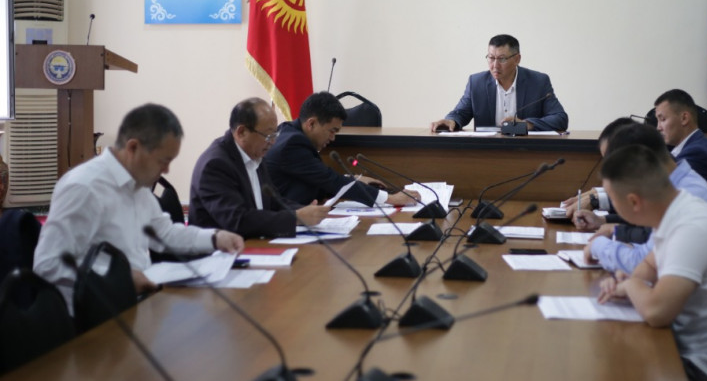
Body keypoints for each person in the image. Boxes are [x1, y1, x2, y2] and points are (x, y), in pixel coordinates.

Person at [33, 104, 245, 310]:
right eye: (163, 161)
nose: (167, 170)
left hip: (138, 303)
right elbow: (48, 265)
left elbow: (165, 234)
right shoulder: (84, 187)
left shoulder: (138, 185)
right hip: (94, 317)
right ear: (133, 148)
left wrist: (215, 238)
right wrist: (118, 279)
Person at [596, 144, 707, 380]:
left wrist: (630, 286)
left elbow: (656, 311)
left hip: (703, 368)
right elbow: (650, 265)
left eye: (614, 201)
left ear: (634, 202)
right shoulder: (678, 207)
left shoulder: (690, 229)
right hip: (691, 349)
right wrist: (626, 281)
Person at [580, 123, 707, 274]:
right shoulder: (675, 187)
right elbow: (648, 257)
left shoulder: (685, 196)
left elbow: (642, 262)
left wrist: (598, 246)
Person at [189, 98, 329, 238]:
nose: (273, 142)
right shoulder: (216, 165)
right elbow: (237, 220)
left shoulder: (255, 154)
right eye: (268, 136)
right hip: (221, 249)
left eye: (275, 134)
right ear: (242, 132)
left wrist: (305, 211)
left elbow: (274, 202)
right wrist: (295, 217)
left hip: (254, 242)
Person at [265, 92, 419, 207]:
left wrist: (353, 179)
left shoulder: (288, 131)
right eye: (331, 131)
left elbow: (319, 177)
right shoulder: (293, 144)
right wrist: (390, 199)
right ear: (311, 124)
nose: (333, 138)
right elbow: (330, 180)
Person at [430, 34, 568, 132]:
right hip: (487, 152)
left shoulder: (538, 82)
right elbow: (461, 112)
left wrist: (527, 125)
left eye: (502, 59)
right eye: (491, 58)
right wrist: (451, 121)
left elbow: (560, 118)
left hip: (526, 150)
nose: (495, 65)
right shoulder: (476, 83)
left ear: (517, 59)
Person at [653, 89, 707, 210]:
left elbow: (665, 196)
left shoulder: (697, 153)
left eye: (663, 119)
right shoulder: (694, 145)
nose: (658, 127)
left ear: (684, 118)